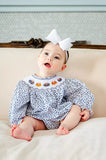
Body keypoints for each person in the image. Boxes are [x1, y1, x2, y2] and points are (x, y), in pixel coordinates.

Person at [9, 29, 94, 141]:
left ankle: (65, 127)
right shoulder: (26, 84)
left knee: (75, 108)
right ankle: (24, 131)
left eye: (56, 57)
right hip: (39, 118)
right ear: (39, 58)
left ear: (62, 68)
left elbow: (81, 92)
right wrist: (17, 121)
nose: (50, 58)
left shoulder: (62, 83)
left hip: (61, 116)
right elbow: (18, 104)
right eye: (46, 53)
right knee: (28, 121)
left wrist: (85, 108)